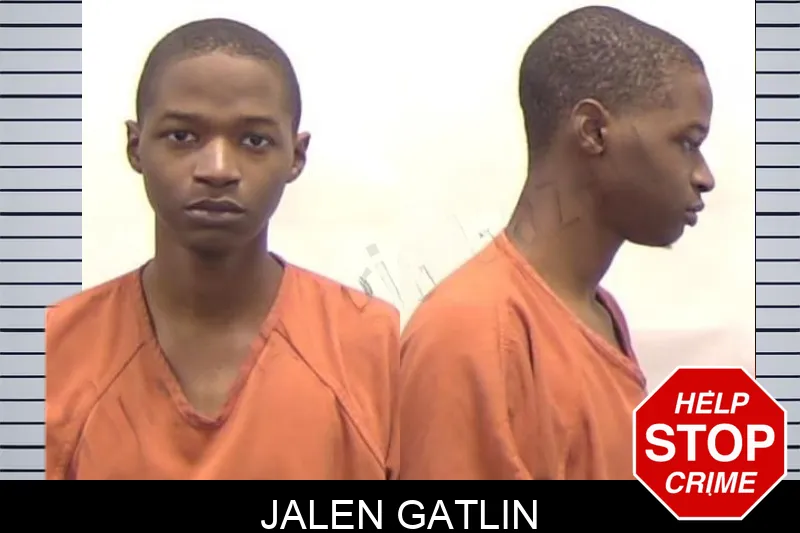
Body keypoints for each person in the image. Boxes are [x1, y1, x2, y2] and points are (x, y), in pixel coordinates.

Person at [45, 18, 399, 480]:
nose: (217, 169)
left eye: (254, 140)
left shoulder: (373, 347)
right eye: (182, 136)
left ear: (295, 157)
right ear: (136, 146)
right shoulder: (52, 350)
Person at [395, 6, 715, 480]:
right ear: (593, 131)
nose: (704, 176)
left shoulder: (598, 313)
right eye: (687, 142)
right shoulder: (473, 333)